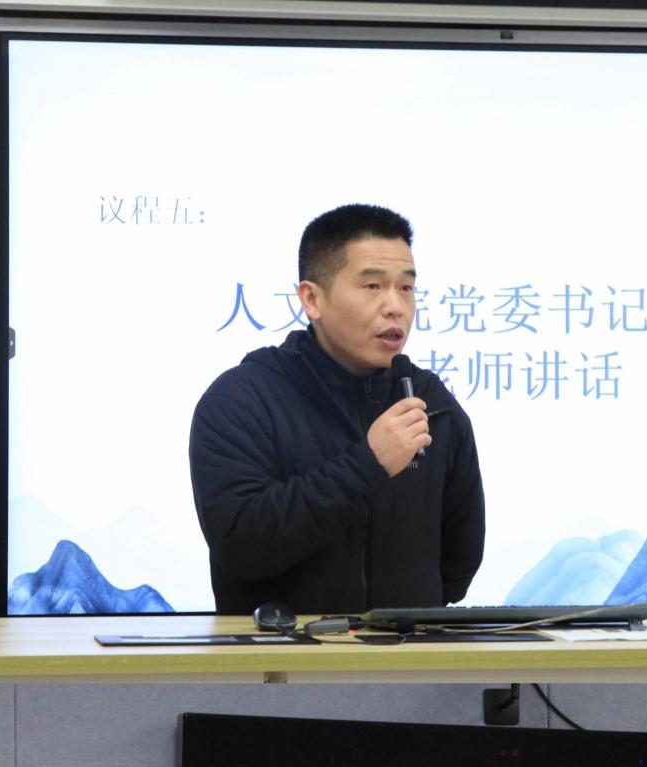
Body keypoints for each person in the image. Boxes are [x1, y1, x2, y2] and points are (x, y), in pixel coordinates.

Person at [189, 203, 485, 614]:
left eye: (406, 288)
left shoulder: (432, 404)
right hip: (277, 652)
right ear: (312, 299)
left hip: (407, 652)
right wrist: (368, 464)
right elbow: (240, 545)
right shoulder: (242, 400)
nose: (396, 306)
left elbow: (458, 562)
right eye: (373, 286)